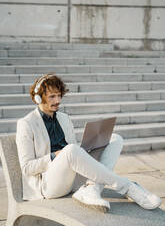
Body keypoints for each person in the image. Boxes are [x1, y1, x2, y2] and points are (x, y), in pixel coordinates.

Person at [16, 73, 162, 212]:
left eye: (59, 95)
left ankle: (91, 188)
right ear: (38, 98)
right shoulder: (26, 124)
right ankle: (127, 186)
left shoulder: (64, 118)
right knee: (71, 150)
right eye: (52, 96)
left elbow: (72, 154)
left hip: (73, 177)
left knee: (115, 138)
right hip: (49, 185)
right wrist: (56, 155)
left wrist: (86, 149)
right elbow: (27, 168)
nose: (57, 101)